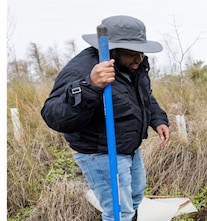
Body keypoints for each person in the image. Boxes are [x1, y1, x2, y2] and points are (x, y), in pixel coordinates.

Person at [41, 15, 170, 221]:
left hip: (127, 146)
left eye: (141, 53)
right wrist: (91, 86)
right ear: (112, 49)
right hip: (99, 151)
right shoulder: (81, 69)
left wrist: (158, 119)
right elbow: (53, 115)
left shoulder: (133, 65)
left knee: (135, 197)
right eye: (131, 54)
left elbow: (143, 95)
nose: (139, 59)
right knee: (119, 211)